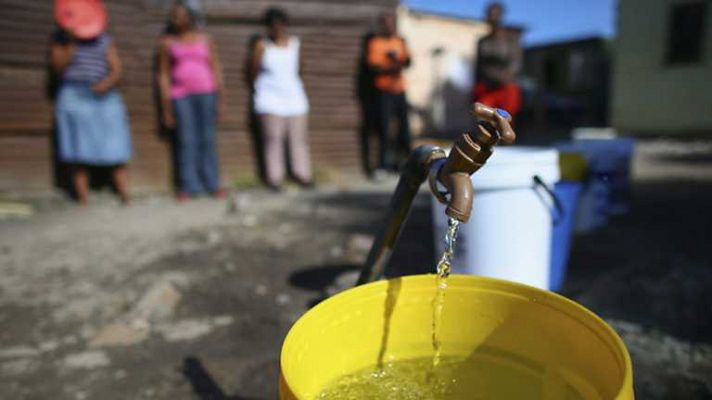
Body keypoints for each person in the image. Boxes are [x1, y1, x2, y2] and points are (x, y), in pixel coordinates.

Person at [50, 27, 132, 205]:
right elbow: (58, 68)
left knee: (116, 144)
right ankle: (83, 199)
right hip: (74, 94)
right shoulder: (61, 39)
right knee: (77, 147)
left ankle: (125, 194)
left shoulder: (104, 38)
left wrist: (107, 83)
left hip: (104, 93)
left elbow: (116, 68)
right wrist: (70, 43)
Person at [158, 1, 225, 201]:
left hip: (206, 94)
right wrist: (166, 107)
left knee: (208, 139)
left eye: (180, 15)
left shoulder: (206, 39)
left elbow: (216, 69)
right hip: (180, 96)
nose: (176, 19)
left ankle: (213, 183)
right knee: (186, 140)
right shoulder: (167, 42)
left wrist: (221, 99)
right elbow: (163, 76)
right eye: (173, 15)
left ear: (191, 17)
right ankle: (187, 185)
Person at [249, 8, 313, 191]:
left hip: (295, 99)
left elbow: (300, 69)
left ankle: (303, 175)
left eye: (280, 24)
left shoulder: (294, 44)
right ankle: (274, 178)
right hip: (270, 100)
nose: (277, 28)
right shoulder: (262, 46)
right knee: (273, 140)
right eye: (272, 25)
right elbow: (253, 71)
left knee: (298, 139)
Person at [367, 12, 412, 175]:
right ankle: (382, 165)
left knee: (404, 130)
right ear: (381, 25)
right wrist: (391, 66)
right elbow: (373, 67)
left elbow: (407, 61)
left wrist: (397, 61)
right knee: (384, 129)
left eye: (392, 23)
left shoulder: (400, 41)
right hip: (383, 91)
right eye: (386, 23)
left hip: (399, 90)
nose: (389, 26)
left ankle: (405, 164)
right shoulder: (375, 43)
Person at [473, 2, 523, 118]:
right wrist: (475, 89)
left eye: (495, 15)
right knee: (484, 119)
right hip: (486, 88)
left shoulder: (510, 40)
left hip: (506, 87)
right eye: (489, 15)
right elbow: (479, 66)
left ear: (501, 16)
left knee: (504, 121)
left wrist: (506, 76)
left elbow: (516, 62)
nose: (492, 18)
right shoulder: (482, 42)